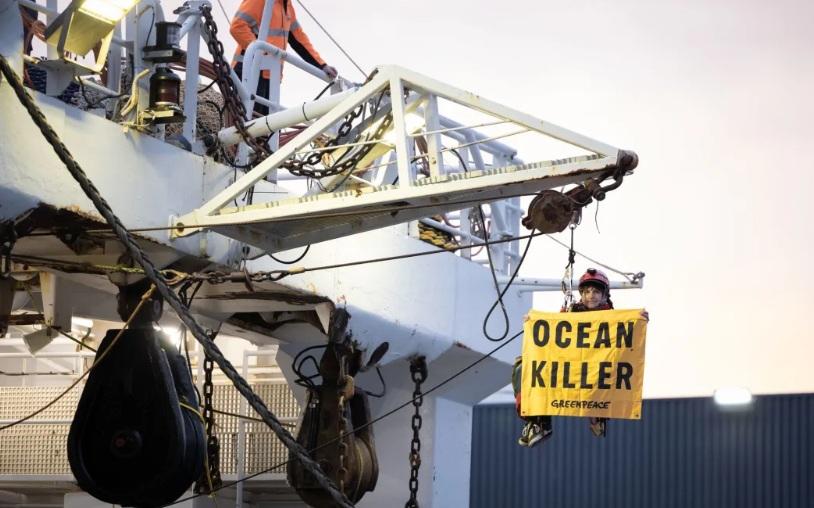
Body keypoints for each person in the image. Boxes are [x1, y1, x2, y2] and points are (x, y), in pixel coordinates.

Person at [512, 268, 649, 447]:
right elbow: (552, 337)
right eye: (587, 292)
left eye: (596, 291)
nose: (591, 295)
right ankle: (537, 421)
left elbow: (626, 339)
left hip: (597, 371)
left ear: (604, 295)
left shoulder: (615, 319)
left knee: (609, 372)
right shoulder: (570, 314)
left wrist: (638, 320)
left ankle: (599, 413)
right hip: (570, 368)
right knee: (522, 367)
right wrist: (532, 322)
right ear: (581, 294)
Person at [230, 0, 338, 115]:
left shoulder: (286, 5)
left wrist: (322, 65)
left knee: (268, 126)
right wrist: (264, 53)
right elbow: (237, 26)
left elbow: (298, 39)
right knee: (250, 123)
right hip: (249, 70)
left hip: (271, 75)